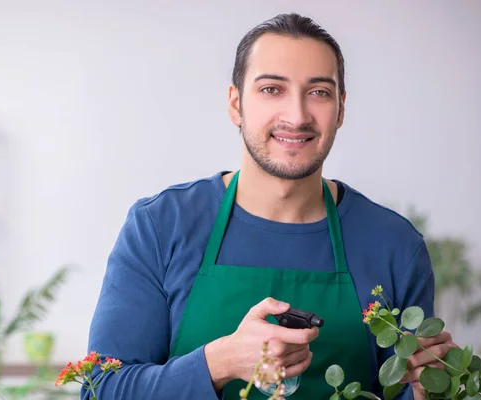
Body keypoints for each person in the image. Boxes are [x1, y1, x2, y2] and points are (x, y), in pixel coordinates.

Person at [83, 12, 456, 400]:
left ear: (340, 109)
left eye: (318, 92)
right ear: (235, 104)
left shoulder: (394, 244)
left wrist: (429, 391)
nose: (296, 116)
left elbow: (406, 389)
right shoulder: (160, 226)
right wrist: (218, 363)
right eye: (271, 89)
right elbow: (101, 389)